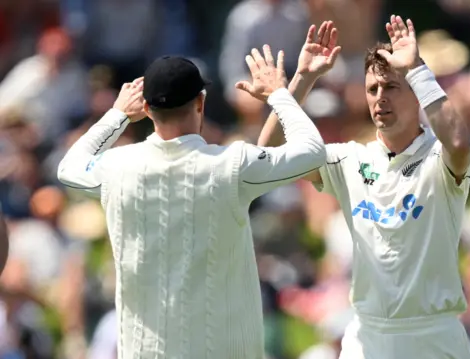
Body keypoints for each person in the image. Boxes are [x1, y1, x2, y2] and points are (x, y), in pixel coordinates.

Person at [57, 47, 327, 358]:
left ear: (145, 108)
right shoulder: (232, 163)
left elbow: (68, 167)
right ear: (201, 102)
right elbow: (312, 151)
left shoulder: (116, 167)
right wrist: (279, 94)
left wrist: (117, 115)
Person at [259, 17, 470, 358]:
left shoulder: (439, 158)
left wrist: (417, 69)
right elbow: (267, 155)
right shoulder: (348, 160)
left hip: (432, 336)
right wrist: (302, 79)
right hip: (367, 336)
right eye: (373, 89)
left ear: (416, 92)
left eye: (391, 87)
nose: (380, 98)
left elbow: (461, 144)